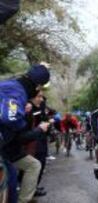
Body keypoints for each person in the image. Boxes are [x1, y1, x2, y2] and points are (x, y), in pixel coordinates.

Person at [0, 63, 50, 203]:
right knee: (10, 188)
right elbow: (10, 117)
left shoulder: (13, 85)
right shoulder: (17, 91)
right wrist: (22, 121)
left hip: (8, 147)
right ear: (37, 86)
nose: (40, 96)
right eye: (40, 89)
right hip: (5, 147)